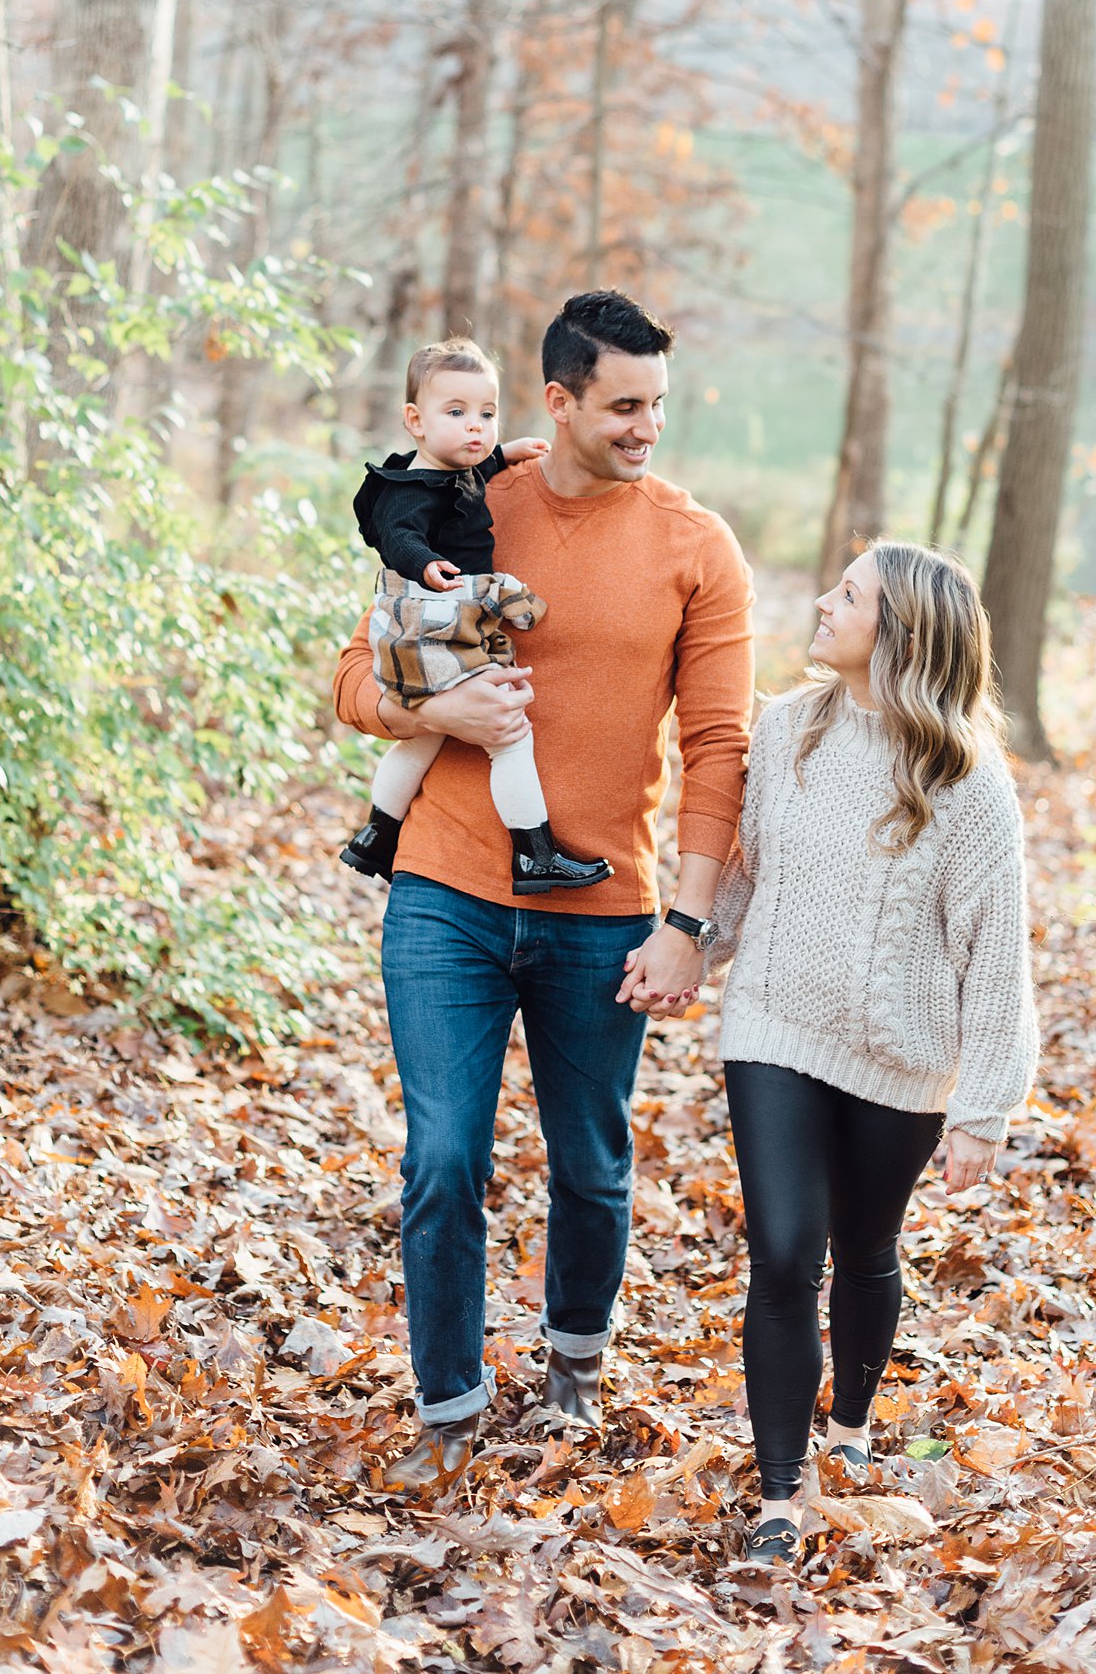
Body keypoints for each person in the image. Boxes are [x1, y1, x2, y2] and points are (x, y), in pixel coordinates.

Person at [332, 290, 754, 1494]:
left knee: (591, 1163)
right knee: (445, 1156)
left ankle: (574, 1362)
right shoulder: (469, 497)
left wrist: (689, 920)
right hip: (447, 892)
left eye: (659, 405)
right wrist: (429, 711)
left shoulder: (695, 548)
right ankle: (450, 1408)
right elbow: (358, 668)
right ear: (558, 401)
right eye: (624, 406)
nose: (646, 428)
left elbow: (719, 744)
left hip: (602, 908)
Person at [699, 540, 1038, 1565]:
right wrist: (687, 950)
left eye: (848, 595)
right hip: (772, 1027)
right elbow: (748, 875)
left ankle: (849, 1423)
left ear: (898, 633)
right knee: (785, 1252)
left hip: (901, 1055)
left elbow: (998, 954)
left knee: (867, 1250)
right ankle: (779, 1496)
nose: (823, 603)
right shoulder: (787, 727)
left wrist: (985, 1105)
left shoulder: (967, 782)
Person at [340, 336, 613, 898]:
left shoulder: (447, 467)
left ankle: (375, 835)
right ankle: (535, 854)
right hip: (433, 622)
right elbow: (399, 533)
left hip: (431, 625)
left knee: (424, 737)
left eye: (487, 414)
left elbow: (472, 473)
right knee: (508, 734)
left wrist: (504, 452)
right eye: (457, 413)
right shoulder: (408, 489)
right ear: (415, 420)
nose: (476, 427)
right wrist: (427, 564)